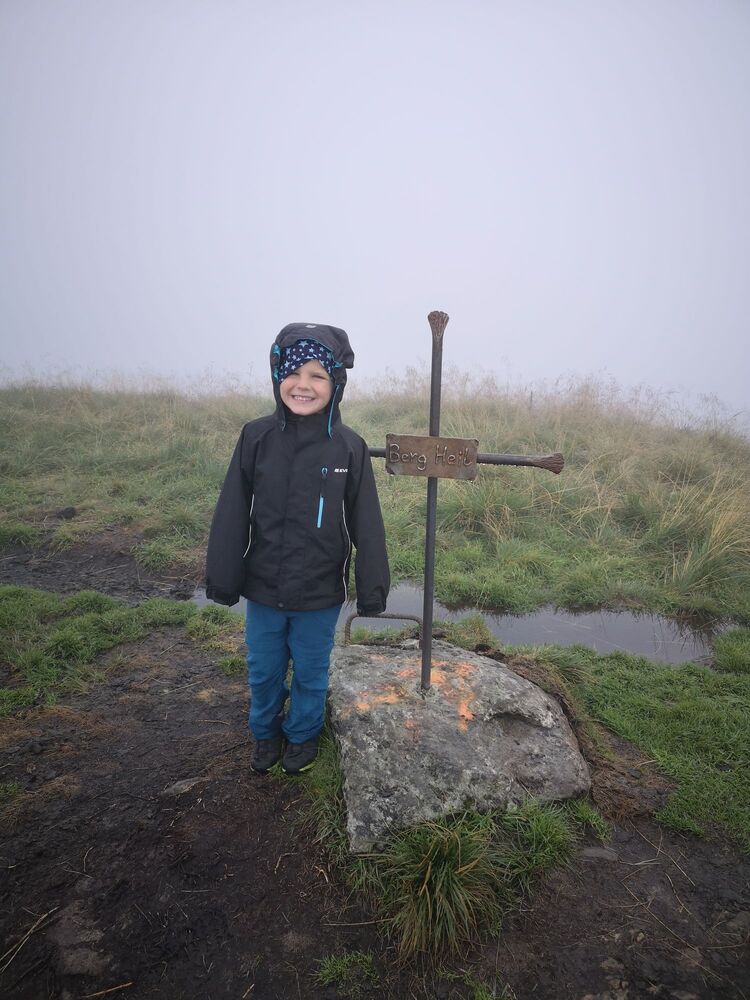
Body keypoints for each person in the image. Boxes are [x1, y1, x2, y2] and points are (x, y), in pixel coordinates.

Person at [205, 323, 390, 775]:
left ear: (336, 382)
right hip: (263, 587)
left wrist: (372, 589)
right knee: (263, 668)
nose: (302, 385)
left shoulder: (349, 447)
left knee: (311, 670)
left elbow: (367, 523)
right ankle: (265, 732)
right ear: (277, 376)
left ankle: (303, 735)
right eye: (292, 373)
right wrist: (224, 578)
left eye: (317, 376)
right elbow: (232, 511)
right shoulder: (256, 437)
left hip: (319, 592)